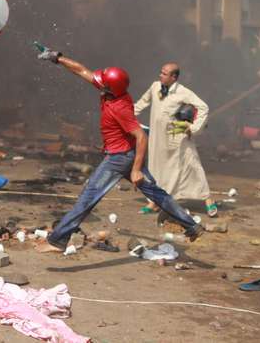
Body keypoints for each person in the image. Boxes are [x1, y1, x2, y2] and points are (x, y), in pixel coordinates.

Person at [34, 46, 204, 253]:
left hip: (119, 159)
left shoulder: (119, 108)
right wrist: (56, 57)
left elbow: (141, 136)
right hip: (127, 154)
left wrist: (135, 170)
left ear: (110, 87)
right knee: (157, 194)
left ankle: (57, 240)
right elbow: (81, 70)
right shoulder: (114, 91)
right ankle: (191, 225)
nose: (98, 82)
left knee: (88, 198)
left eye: (103, 82)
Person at [134, 62, 217, 218]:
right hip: (158, 137)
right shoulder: (155, 87)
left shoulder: (183, 92)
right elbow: (141, 104)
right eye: (161, 72)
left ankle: (208, 200)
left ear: (174, 77)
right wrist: (123, 114)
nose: (161, 75)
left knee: (192, 166)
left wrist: (192, 128)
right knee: (157, 168)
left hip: (177, 137)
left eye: (165, 74)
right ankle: (154, 202)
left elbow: (203, 107)